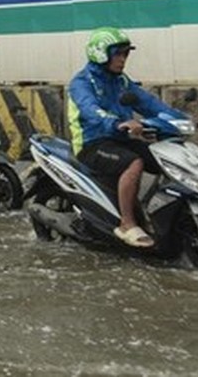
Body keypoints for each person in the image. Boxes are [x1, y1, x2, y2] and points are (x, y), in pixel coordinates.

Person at [69, 27, 184, 249]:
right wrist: (115, 123)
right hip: (91, 144)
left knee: (165, 158)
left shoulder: (121, 82)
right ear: (101, 54)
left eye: (125, 54)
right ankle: (127, 223)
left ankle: (158, 216)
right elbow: (90, 110)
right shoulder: (82, 82)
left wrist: (177, 118)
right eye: (118, 54)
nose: (123, 59)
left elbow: (149, 103)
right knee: (134, 162)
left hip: (120, 139)